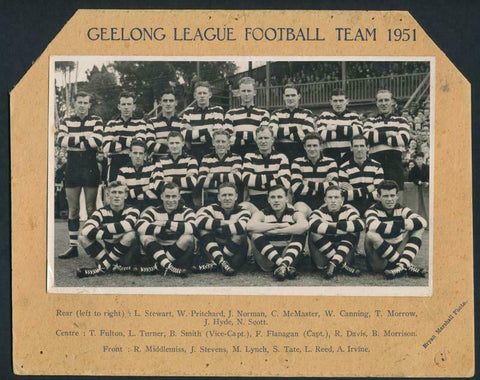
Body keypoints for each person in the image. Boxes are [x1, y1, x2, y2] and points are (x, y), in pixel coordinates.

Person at [57, 91, 103, 259]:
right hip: (73, 167)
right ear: (74, 104)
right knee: (73, 209)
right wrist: (85, 140)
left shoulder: (97, 120)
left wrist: (73, 140)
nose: (82, 105)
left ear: (89, 104)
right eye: (79, 102)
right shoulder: (66, 120)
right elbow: (60, 140)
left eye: (85, 102)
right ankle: (73, 247)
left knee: (92, 209)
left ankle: (92, 244)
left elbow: (97, 140)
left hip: (90, 167)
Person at [364, 180, 427, 279]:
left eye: (392, 195)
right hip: (380, 261)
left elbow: (423, 221)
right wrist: (401, 227)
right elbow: (373, 225)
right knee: (371, 234)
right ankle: (406, 265)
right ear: (379, 197)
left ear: (397, 196)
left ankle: (401, 267)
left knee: (419, 228)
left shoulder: (401, 209)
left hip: (397, 250)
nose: (390, 199)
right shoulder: (372, 210)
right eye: (385, 196)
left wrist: (400, 225)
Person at [76, 181, 139, 277]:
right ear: (108, 195)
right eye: (113, 192)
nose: (117, 196)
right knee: (82, 237)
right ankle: (113, 265)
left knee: (131, 235)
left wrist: (102, 229)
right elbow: (86, 229)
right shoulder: (101, 212)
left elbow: (127, 225)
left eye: (120, 192)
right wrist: (110, 235)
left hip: (126, 254)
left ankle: (104, 266)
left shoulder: (133, 210)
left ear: (125, 195)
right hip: (108, 251)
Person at [247, 185, 309, 281]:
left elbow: (304, 226)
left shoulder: (294, 213)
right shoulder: (262, 213)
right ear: (268, 200)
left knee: (300, 232)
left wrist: (278, 231)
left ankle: (283, 265)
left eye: (279, 197)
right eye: (273, 197)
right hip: (267, 259)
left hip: (288, 255)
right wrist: (278, 225)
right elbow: (250, 226)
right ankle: (283, 265)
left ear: (286, 199)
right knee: (255, 234)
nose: (276, 200)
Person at [135, 182, 196, 277]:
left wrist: (165, 223)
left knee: (188, 237)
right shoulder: (153, 211)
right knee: (144, 236)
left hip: (179, 250)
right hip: (157, 249)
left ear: (179, 197)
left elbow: (192, 227)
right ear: (162, 197)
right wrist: (161, 230)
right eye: (167, 196)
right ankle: (168, 266)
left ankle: (159, 266)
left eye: (174, 196)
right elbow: (139, 226)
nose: (170, 200)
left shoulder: (187, 211)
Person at [308, 185, 364, 279]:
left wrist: (331, 225)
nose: (333, 200)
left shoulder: (348, 210)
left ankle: (334, 263)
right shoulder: (318, 212)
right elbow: (312, 224)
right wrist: (342, 230)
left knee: (354, 231)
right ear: (325, 199)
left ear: (342, 199)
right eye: (330, 197)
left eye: (336, 197)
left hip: (344, 250)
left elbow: (360, 224)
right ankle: (341, 264)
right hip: (324, 253)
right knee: (314, 233)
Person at [196, 183, 251, 276]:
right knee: (202, 230)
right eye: (224, 195)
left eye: (230, 195)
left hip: (233, 252)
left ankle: (216, 263)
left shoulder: (243, 211)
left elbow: (242, 227)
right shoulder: (212, 208)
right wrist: (224, 223)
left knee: (240, 235)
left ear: (236, 196)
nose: (227, 198)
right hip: (215, 248)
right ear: (219, 197)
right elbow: (199, 221)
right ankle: (221, 263)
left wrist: (215, 226)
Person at [363, 89, 410, 194]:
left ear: (392, 102)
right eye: (380, 101)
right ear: (376, 103)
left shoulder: (401, 120)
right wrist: (389, 134)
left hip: (394, 165)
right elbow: (366, 138)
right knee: (376, 196)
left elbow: (404, 139)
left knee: (395, 198)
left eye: (386, 100)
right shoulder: (370, 121)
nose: (383, 103)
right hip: (375, 164)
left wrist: (377, 137)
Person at [242, 125, 291, 211]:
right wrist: (273, 176)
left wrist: (258, 185)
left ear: (272, 140)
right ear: (256, 140)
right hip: (255, 202)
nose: (263, 141)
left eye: (266, 138)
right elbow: (247, 179)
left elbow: (285, 182)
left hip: (276, 201)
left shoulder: (281, 157)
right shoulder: (249, 156)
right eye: (260, 138)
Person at [103, 91, 147, 183]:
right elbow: (106, 147)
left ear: (134, 107)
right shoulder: (111, 124)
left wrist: (118, 139)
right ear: (119, 106)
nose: (126, 107)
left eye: (129, 104)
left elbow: (140, 144)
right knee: (115, 191)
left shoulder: (140, 123)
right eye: (123, 104)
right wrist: (129, 143)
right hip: (115, 163)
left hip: (133, 162)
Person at [291, 133, 338, 215]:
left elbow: (333, 186)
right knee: (300, 210)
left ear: (321, 146)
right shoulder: (297, 162)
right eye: (309, 146)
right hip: (303, 202)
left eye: (315, 145)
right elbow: (296, 188)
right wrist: (322, 186)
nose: (312, 149)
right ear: (304, 147)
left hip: (324, 202)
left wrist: (306, 183)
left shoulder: (331, 162)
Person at [338, 134, 384, 215]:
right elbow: (344, 196)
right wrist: (368, 189)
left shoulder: (377, 166)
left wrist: (354, 192)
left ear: (367, 147)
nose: (359, 149)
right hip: (352, 206)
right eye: (356, 146)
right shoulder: (343, 168)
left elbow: (379, 194)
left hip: (373, 205)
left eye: (362, 146)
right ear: (351, 148)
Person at [151, 131, 198, 209]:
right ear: (168, 144)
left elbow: (192, 182)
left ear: (183, 143)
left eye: (177, 143)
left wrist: (170, 179)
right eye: (172, 143)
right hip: (167, 201)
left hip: (186, 200)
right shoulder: (160, 161)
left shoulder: (191, 159)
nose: (174, 146)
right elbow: (157, 184)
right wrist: (183, 180)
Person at [269, 84, 315, 162]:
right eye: (287, 96)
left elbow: (307, 133)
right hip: (280, 153)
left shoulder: (307, 113)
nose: (290, 98)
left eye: (293, 95)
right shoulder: (276, 113)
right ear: (283, 97)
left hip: (301, 153)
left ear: (299, 96)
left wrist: (282, 134)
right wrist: (296, 128)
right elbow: (272, 132)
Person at [317, 89, 363, 166]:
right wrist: (347, 133)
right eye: (335, 101)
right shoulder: (324, 116)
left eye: (341, 100)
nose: (338, 104)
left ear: (347, 101)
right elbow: (321, 135)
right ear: (331, 102)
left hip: (349, 155)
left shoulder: (353, 116)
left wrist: (335, 128)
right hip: (329, 155)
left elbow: (357, 132)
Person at [224, 77, 270, 155]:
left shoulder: (263, 113)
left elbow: (261, 136)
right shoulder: (230, 113)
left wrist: (238, 136)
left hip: (256, 154)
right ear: (239, 92)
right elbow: (227, 136)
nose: (246, 94)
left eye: (249, 91)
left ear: (254, 92)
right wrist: (250, 136)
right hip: (235, 153)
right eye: (243, 91)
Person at [197, 129, 243, 206]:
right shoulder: (206, 158)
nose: (220, 144)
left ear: (228, 143)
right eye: (218, 141)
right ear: (213, 143)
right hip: (211, 198)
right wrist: (228, 179)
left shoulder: (236, 158)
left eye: (223, 141)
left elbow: (236, 179)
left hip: (229, 200)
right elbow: (202, 182)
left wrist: (212, 176)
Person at [182, 81, 224, 161]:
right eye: (199, 93)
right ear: (195, 95)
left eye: (204, 93)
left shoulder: (217, 110)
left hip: (211, 151)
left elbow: (216, 134)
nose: (202, 96)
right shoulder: (188, 111)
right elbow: (185, 135)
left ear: (210, 95)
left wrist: (193, 132)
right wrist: (206, 132)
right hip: (192, 152)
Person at [116, 139, 157, 211]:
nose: (138, 156)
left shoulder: (152, 168)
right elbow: (124, 196)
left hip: (149, 206)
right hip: (130, 207)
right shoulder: (123, 171)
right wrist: (144, 188)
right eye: (135, 153)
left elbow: (154, 194)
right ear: (130, 153)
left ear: (144, 155)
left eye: (141, 153)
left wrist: (133, 192)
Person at [146, 90, 185, 162]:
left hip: (179, 162)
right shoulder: (152, 122)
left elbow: (185, 144)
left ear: (176, 103)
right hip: (158, 162)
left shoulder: (182, 121)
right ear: (160, 103)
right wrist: (174, 147)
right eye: (165, 101)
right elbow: (150, 144)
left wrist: (161, 142)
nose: (168, 103)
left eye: (171, 101)